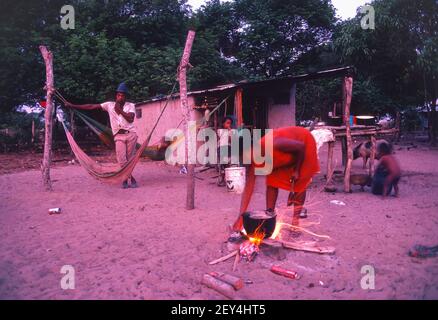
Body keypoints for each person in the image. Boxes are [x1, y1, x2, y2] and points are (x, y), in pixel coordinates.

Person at [229, 126, 320, 242]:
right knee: (272, 182)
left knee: (299, 184)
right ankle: (270, 216)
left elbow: (301, 147)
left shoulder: (271, 144)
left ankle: (295, 223)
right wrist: (240, 218)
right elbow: (248, 189)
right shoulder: (252, 161)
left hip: (303, 145)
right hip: (285, 158)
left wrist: (296, 171)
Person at [65, 82, 138, 189]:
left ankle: (125, 179)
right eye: (118, 95)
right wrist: (73, 105)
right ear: (116, 96)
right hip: (118, 136)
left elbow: (131, 119)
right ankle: (129, 177)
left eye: (122, 95)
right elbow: (92, 106)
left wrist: (120, 111)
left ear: (126, 96)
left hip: (131, 135)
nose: (120, 97)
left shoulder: (130, 106)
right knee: (122, 160)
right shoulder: (109, 105)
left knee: (130, 159)